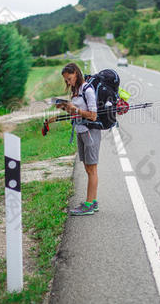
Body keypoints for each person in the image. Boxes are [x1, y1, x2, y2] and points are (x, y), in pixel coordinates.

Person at [58, 63, 101, 216]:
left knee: (92, 169)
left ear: (76, 73)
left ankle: (89, 205)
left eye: (69, 78)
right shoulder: (76, 91)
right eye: (66, 81)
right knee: (88, 168)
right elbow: (77, 113)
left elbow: (93, 115)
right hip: (81, 131)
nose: (68, 82)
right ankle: (93, 202)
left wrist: (74, 109)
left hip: (90, 131)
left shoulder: (87, 90)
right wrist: (66, 108)